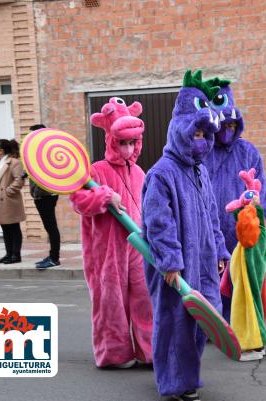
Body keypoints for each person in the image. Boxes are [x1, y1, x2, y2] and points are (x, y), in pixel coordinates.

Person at [142, 70, 230, 401]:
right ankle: (175, 383)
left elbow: (212, 216)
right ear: (180, 129)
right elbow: (158, 221)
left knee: (198, 323)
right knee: (174, 324)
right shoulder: (162, 173)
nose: (201, 140)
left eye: (205, 135)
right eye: (195, 133)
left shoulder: (200, 171)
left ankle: (186, 375)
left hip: (204, 261)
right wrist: (170, 262)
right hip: (174, 267)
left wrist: (221, 251)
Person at [69, 97, 153, 369]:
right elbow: (79, 201)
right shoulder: (95, 171)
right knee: (110, 303)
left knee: (145, 300)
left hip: (138, 246)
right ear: (111, 140)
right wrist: (104, 196)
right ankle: (114, 353)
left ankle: (149, 350)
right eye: (123, 142)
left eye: (132, 142)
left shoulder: (140, 172)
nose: (128, 148)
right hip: (107, 251)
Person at [202, 78, 266, 323]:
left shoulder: (248, 151)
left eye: (233, 125)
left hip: (241, 232)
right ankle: (213, 324)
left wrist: (253, 223)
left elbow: (262, 196)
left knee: (242, 281)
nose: (228, 129)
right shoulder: (202, 150)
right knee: (209, 281)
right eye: (224, 124)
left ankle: (244, 325)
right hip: (208, 233)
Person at [224, 169, 266, 362]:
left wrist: (247, 209)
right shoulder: (259, 222)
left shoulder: (252, 227)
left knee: (246, 306)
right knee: (253, 303)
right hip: (248, 274)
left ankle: (250, 345)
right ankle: (257, 342)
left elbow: (246, 233)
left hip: (247, 276)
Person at [27, 124, 62, 269]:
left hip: (46, 195)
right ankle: (52, 255)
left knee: (51, 227)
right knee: (49, 227)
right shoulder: (36, 152)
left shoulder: (46, 152)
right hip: (41, 196)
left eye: (32, 135)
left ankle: (54, 258)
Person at [0, 139, 25, 264]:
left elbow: (19, 180)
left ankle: (16, 255)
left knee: (13, 227)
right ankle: (9, 254)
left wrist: (8, 191)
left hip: (9, 200)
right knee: (5, 228)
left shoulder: (14, 162)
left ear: (2, 150)